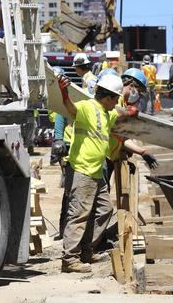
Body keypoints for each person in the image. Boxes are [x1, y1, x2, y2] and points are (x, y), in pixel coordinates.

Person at [58, 72, 137, 273]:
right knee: (78, 215)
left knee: (104, 210)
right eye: (115, 99)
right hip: (82, 170)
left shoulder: (107, 112)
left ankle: (86, 250)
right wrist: (64, 93)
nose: (116, 103)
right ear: (109, 97)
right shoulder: (87, 107)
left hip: (96, 171)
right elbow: (71, 109)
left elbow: (117, 113)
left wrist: (129, 112)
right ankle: (70, 259)